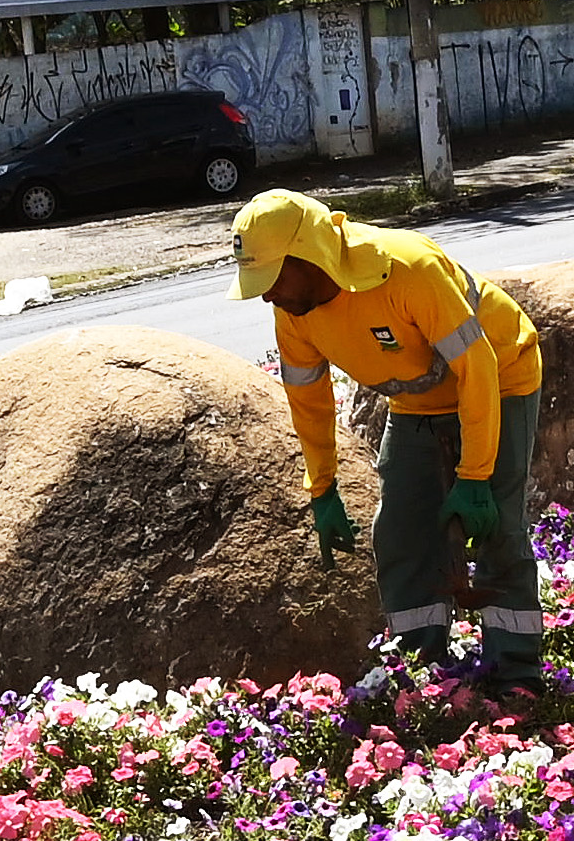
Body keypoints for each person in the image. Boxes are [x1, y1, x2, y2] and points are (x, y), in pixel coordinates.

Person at [231, 188, 552, 694]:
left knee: (497, 526)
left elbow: (477, 366)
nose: (267, 295)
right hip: (416, 403)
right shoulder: (294, 311)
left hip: (500, 379)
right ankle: (421, 670)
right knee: (400, 532)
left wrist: (474, 477)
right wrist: (323, 488)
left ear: (310, 256)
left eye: (271, 278)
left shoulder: (405, 269)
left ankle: (515, 675)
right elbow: (309, 401)